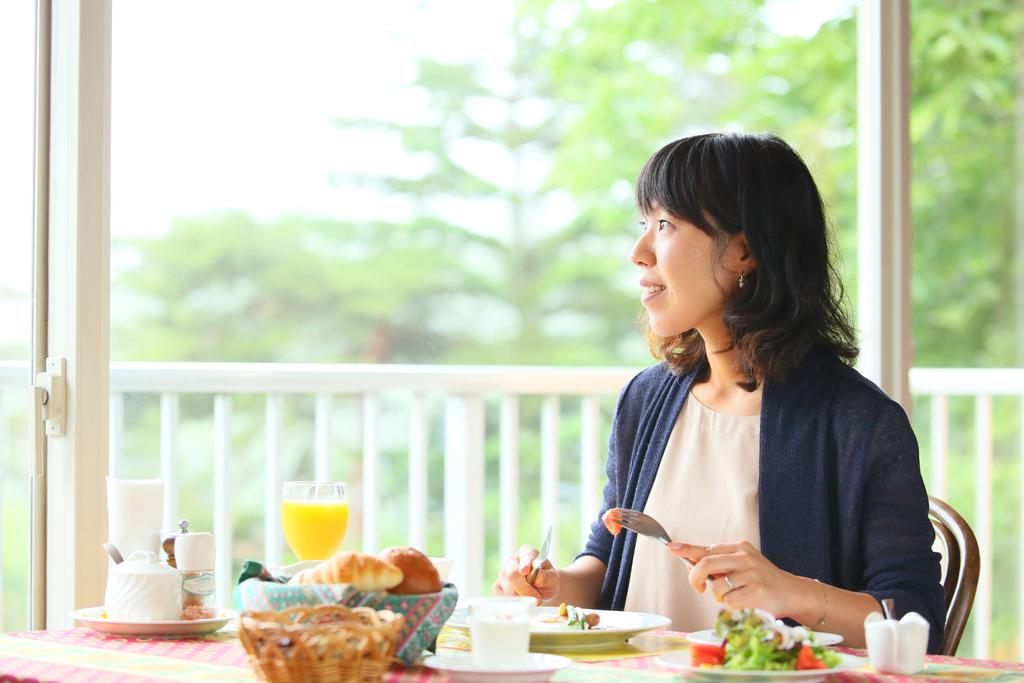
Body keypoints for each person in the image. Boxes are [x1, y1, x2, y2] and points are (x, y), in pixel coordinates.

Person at [492, 132, 944, 652]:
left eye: (665, 225)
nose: (639, 253)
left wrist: (790, 593)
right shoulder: (646, 399)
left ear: (745, 250)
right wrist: (555, 588)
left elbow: (915, 620)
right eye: (645, 225)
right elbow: (608, 554)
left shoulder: (858, 423)